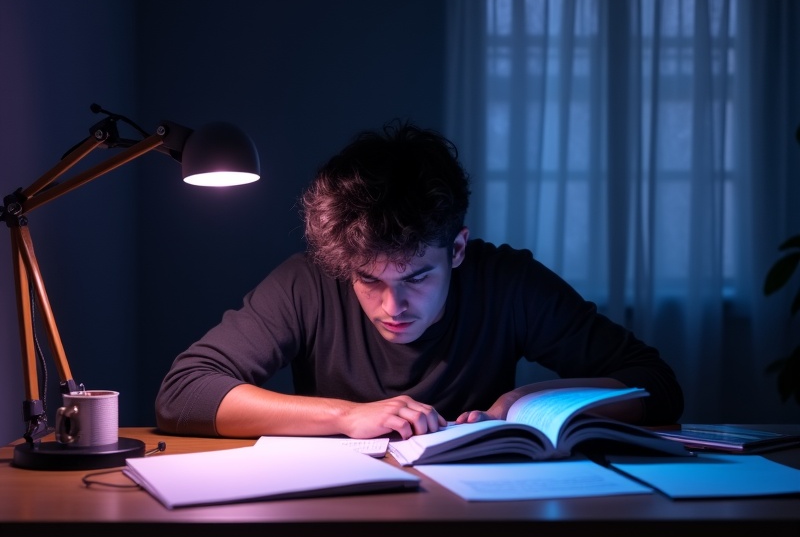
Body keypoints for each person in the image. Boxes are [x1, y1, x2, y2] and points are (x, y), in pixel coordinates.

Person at [155, 120, 684, 440]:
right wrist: (345, 416)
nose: (393, 306)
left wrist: (528, 402)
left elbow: (656, 385)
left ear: (456, 249)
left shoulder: (508, 283)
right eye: (369, 280)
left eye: (416, 277)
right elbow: (184, 393)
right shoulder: (308, 284)